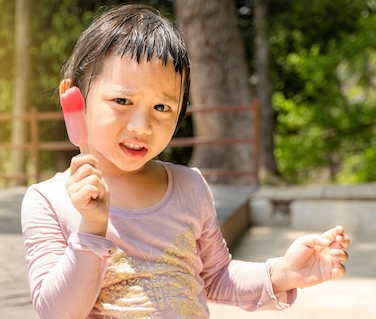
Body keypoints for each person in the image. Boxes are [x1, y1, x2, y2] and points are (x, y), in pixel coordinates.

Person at [20, 4, 350, 318]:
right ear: (75, 99)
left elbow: (217, 275)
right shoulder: (49, 201)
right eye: (122, 100)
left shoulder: (189, 187)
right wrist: (91, 227)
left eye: (161, 108)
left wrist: (283, 273)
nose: (142, 126)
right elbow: (56, 312)